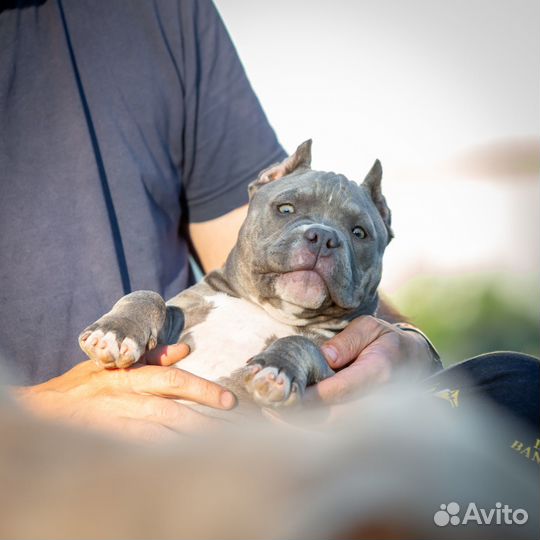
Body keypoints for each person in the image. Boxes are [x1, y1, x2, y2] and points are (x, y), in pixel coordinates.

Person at [1, 0, 537, 442]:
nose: (321, 237)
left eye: (355, 233)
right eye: (289, 211)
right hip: (57, 471)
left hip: (268, 477)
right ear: (266, 190)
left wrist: (412, 348)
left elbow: (256, 256)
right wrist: (31, 420)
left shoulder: (157, 16)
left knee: (520, 388)